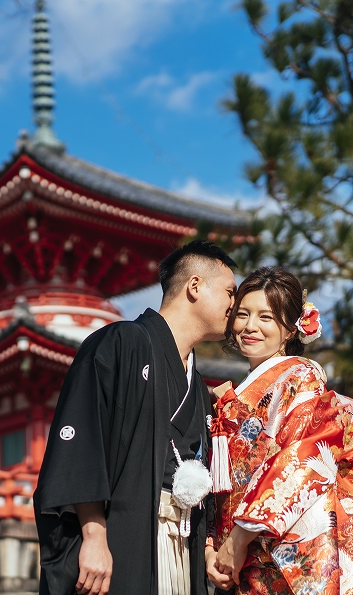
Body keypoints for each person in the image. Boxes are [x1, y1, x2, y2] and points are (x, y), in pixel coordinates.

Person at [34, 240, 238, 595]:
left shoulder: (200, 387)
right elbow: (84, 442)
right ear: (194, 286)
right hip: (123, 538)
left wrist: (207, 550)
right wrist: (94, 535)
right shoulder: (121, 343)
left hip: (182, 544)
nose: (234, 306)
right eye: (229, 292)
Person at [206, 266, 353, 595]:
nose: (250, 327)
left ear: (290, 329)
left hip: (272, 557)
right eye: (242, 314)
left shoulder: (300, 377)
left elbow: (300, 460)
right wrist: (213, 547)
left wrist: (239, 538)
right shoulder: (238, 391)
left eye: (266, 318)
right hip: (236, 560)